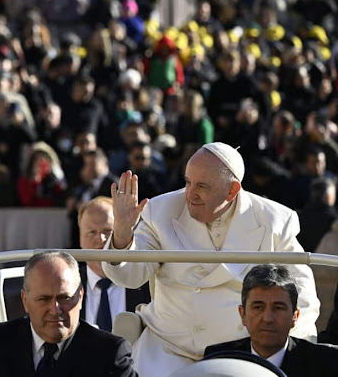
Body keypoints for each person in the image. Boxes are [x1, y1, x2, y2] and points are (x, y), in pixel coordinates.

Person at [102, 142, 320, 377]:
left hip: (243, 357)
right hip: (167, 349)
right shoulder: (160, 210)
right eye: (187, 182)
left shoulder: (274, 221)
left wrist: (290, 355)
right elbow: (129, 277)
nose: (190, 193)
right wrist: (123, 233)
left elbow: (302, 297)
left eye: (202, 186)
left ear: (232, 190)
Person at [0, 251, 138, 377]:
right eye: (43, 299)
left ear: (80, 296)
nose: (55, 310)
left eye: (64, 298)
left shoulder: (109, 354)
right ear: (25, 300)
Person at [204, 265, 338, 377]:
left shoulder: (327, 362)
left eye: (278, 308)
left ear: (295, 316)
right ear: (243, 314)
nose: (268, 318)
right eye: (258, 307)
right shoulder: (217, 361)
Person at [78, 197, 151, 331]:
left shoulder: (147, 284)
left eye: (108, 230)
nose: (101, 238)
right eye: (92, 232)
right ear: (80, 237)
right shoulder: (68, 285)